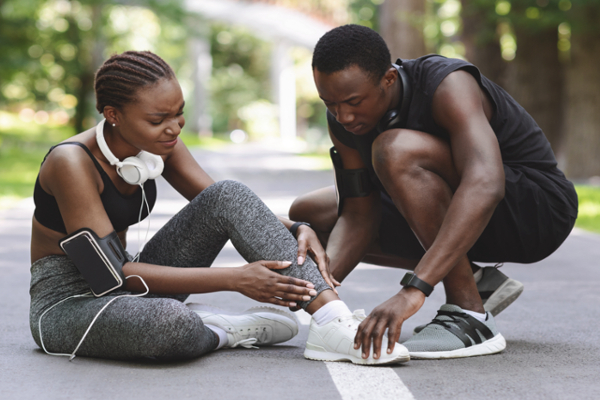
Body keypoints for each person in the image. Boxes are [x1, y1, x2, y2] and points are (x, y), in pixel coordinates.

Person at [29, 50, 411, 364]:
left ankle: (332, 321)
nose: (174, 127)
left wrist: (294, 228)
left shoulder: (161, 142)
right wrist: (235, 279)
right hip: (70, 305)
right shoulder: (71, 163)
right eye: (158, 119)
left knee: (228, 191)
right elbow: (109, 277)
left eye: (179, 112)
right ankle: (224, 330)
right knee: (168, 325)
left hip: (132, 287)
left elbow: (225, 204)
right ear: (113, 115)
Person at [288, 25, 578, 360]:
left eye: (353, 102)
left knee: (394, 149)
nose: (344, 116)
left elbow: (486, 183)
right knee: (311, 213)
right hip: (466, 216)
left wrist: (415, 289)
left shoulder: (447, 84)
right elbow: (358, 215)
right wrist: (313, 299)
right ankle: (475, 279)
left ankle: (469, 315)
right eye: (330, 103)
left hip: (535, 211)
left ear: (388, 80)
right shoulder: (342, 120)